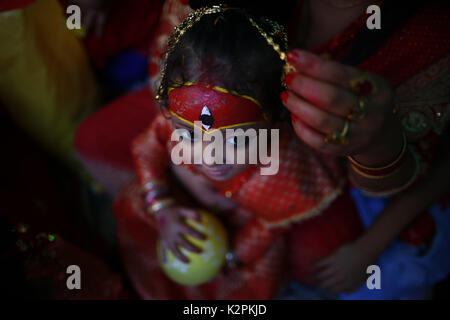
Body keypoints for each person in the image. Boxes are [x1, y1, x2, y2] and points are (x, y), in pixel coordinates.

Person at [113, 5, 364, 299]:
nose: (208, 157)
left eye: (235, 141)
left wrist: (228, 256)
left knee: (255, 277)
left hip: (252, 214)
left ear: (276, 120)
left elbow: (266, 227)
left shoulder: (284, 172)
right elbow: (147, 148)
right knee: (134, 204)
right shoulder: (181, 115)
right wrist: (163, 208)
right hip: (198, 202)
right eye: (190, 135)